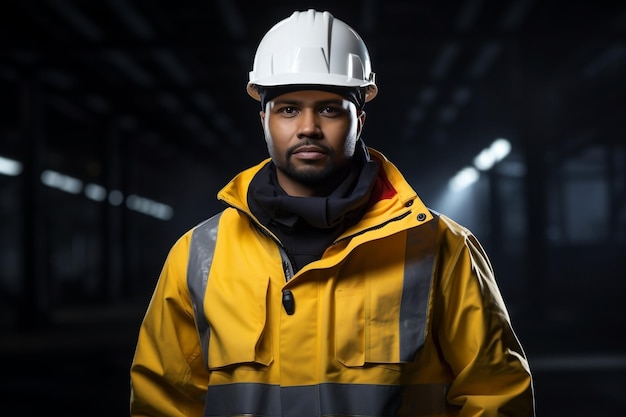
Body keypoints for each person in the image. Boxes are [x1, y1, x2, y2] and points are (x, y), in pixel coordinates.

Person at [129, 8, 535, 417]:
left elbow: (494, 393)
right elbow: (164, 401)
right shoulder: (198, 255)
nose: (308, 127)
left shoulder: (442, 247)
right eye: (288, 109)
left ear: (359, 118)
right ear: (264, 120)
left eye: (329, 109)